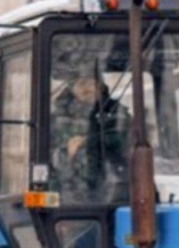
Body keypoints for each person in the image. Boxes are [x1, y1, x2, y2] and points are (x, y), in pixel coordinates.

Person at [51, 74, 132, 203]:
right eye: (83, 83)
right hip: (66, 195)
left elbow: (125, 139)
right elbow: (46, 157)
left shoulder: (116, 113)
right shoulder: (56, 119)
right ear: (72, 87)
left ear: (102, 87)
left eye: (94, 84)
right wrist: (66, 152)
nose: (89, 89)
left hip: (112, 190)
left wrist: (88, 141)